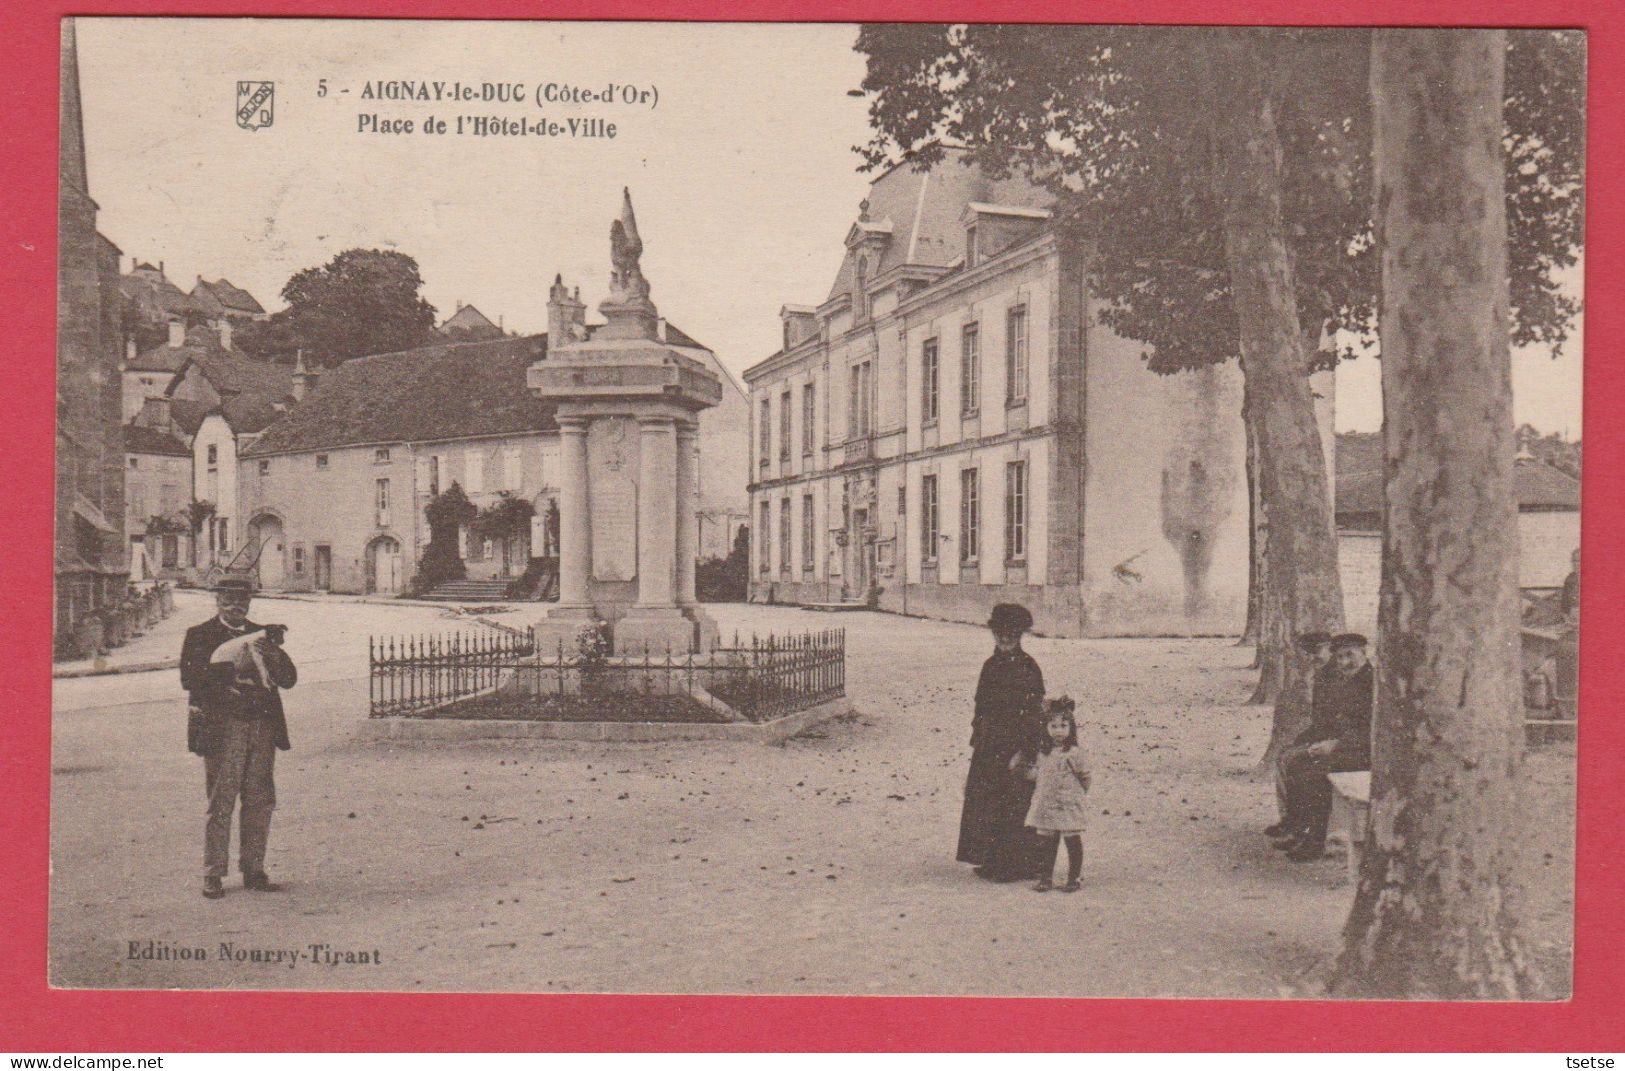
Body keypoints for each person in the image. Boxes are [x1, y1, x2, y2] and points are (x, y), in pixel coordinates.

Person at [180, 574, 297, 899]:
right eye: (228, 600)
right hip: (224, 728)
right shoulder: (199, 635)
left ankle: (254, 869)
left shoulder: (262, 635)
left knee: (260, 800)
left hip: (261, 726)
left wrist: (272, 654)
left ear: (250, 602)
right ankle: (213, 873)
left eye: (242, 600)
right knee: (221, 801)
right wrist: (231, 671)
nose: (235, 606)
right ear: (216, 601)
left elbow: (288, 679)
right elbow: (189, 679)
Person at [956, 602, 1050, 882]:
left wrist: (1027, 751)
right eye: (1000, 633)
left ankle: (1015, 865)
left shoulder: (1029, 667)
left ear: (1020, 635)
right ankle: (991, 860)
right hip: (989, 745)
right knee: (987, 803)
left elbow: (1036, 713)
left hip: (1015, 745)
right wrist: (978, 737)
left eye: (1011, 633)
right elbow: (980, 705)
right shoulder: (990, 665)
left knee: (1014, 804)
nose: (1005, 638)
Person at [1276, 632, 1374, 862]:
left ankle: (1316, 842)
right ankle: (1302, 831)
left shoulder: (1373, 683)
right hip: (1348, 748)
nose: (1344, 662)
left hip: (1366, 752)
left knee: (1313, 774)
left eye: (1350, 655)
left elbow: (1372, 730)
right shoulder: (1348, 681)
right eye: (1339, 657)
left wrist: (1336, 745)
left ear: (1364, 652)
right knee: (1301, 765)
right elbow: (1333, 722)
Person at [1265, 631, 1335, 839]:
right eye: (1308, 654)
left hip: (1337, 743)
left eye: (1317, 652)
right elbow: (1321, 717)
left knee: (1295, 761)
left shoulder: (1337, 675)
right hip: (1324, 736)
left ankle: (1300, 824)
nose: (1313, 658)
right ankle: (1291, 819)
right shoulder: (1322, 674)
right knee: (1284, 757)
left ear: (1329, 648)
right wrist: (1305, 738)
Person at [1025, 697, 1091, 893]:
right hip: (1046, 802)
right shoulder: (1042, 752)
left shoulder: (1074, 753)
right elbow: (1038, 772)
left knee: (1071, 837)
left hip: (1067, 802)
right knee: (1046, 839)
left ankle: (1074, 878)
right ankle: (1046, 878)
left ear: (1071, 728)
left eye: (1063, 726)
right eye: (1053, 726)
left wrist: (1076, 794)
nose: (1058, 731)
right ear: (1045, 728)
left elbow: (1085, 777)